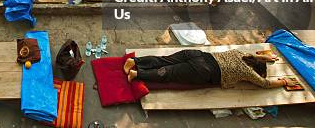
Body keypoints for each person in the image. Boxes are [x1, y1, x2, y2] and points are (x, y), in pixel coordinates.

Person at [124, 49, 298, 89]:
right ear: (255, 69)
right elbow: (265, 83)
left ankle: (134, 61)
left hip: (196, 54)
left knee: (163, 60)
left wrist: (266, 57)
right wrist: (283, 81)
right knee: (168, 73)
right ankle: (137, 73)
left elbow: (255, 55)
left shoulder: (239, 53)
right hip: (202, 69)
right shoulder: (247, 72)